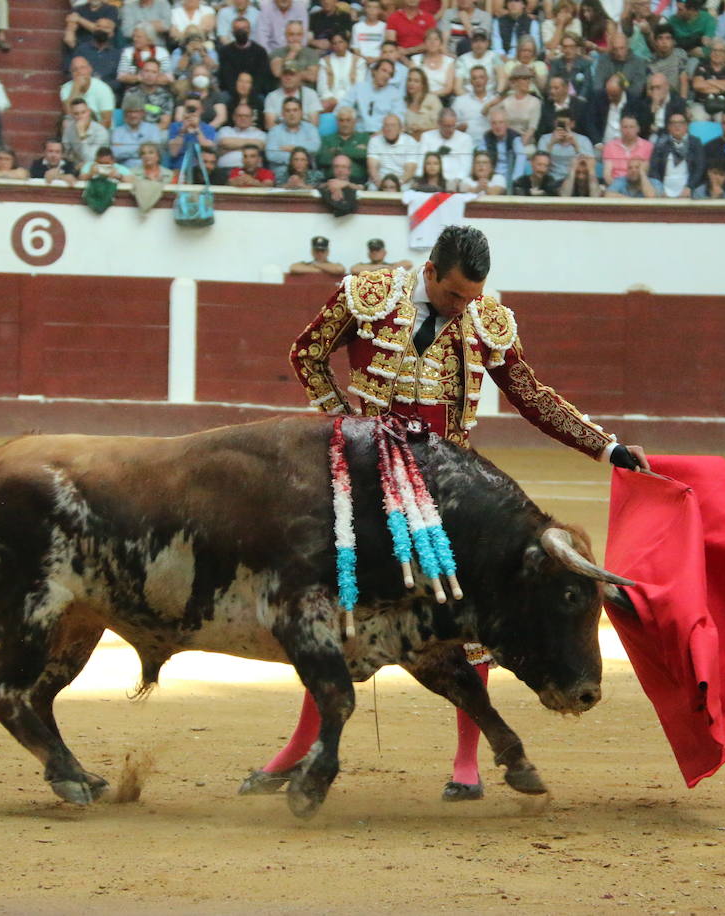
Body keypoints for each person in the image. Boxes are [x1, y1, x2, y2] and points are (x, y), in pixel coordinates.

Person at [257, 225, 647, 803]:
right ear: (431, 273)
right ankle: (298, 750)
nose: (464, 307)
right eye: (454, 295)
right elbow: (307, 354)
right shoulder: (370, 293)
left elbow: (531, 396)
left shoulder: (486, 319)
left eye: (472, 297)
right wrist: (346, 427)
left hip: (452, 500)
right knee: (338, 610)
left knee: (471, 623)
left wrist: (606, 447)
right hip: (365, 483)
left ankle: (468, 763)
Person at [650, 111, 704, 197]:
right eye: (673, 123)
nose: (677, 126)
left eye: (681, 123)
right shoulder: (661, 143)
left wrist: (690, 187)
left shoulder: (695, 143)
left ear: (686, 126)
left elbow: (699, 168)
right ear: (668, 127)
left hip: (688, 190)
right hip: (664, 190)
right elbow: (654, 169)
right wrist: (660, 189)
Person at [342, 58, 404, 133]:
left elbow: (399, 119)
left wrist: (381, 133)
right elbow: (342, 108)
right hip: (358, 133)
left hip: (382, 135)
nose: (386, 76)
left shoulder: (395, 94)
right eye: (384, 70)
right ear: (374, 71)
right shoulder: (359, 87)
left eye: (390, 74)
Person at [690, 38, 725, 122]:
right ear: (710, 52)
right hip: (702, 103)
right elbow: (697, 85)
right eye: (714, 50)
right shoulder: (702, 66)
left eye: (721, 51)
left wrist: (710, 81)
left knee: (723, 119)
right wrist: (723, 88)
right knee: (698, 118)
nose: (717, 53)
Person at [418, 106, 474, 182]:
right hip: (432, 181)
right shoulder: (426, 137)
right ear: (439, 123)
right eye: (447, 126)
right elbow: (421, 162)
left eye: (453, 126)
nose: (450, 130)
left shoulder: (465, 139)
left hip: (456, 181)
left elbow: (466, 165)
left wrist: (457, 180)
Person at [264, 95, 319, 169]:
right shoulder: (274, 131)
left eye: (295, 110)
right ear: (283, 114)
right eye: (288, 111)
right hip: (282, 172)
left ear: (301, 112)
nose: (291, 114)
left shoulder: (310, 128)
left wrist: (293, 148)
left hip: (306, 172)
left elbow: (315, 148)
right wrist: (298, 159)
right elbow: (271, 155)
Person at [366, 112, 418, 187]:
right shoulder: (374, 141)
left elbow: (410, 171)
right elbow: (372, 168)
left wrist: (395, 185)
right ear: (382, 129)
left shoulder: (410, 142)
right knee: (372, 188)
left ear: (400, 129)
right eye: (386, 125)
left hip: (402, 182)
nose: (389, 129)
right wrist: (382, 185)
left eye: (393, 126)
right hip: (379, 181)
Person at [537, 113, 593, 182]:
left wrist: (575, 145)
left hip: (575, 178)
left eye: (566, 124)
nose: (563, 127)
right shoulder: (544, 139)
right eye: (560, 124)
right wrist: (551, 143)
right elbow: (540, 164)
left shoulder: (584, 140)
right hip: (551, 178)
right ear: (555, 123)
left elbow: (589, 165)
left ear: (572, 124)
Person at [319, 32, 366, 113]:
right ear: (331, 46)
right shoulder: (324, 61)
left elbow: (359, 86)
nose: (338, 46)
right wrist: (331, 99)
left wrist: (345, 101)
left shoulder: (359, 61)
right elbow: (322, 86)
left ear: (347, 43)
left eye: (341, 42)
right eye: (334, 43)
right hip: (330, 102)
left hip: (352, 101)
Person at [601, 113, 652, 183]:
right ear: (620, 129)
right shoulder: (610, 146)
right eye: (625, 127)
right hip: (616, 185)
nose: (628, 130)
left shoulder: (648, 146)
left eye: (631, 127)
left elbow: (645, 173)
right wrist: (616, 188)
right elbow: (607, 175)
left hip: (639, 185)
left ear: (638, 129)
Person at [111, 102, 163, 168]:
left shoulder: (153, 129)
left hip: (148, 169)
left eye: (136, 112)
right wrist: (142, 150)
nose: (133, 115)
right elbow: (116, 154)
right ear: (124, 114)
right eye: (130, 112)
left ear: (143, 113)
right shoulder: (117, 132)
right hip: (126, 171)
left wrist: (126, 149)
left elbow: (155, 152)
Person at [63, 96, 110, 168]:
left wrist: (82, 135)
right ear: (72, 115)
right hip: (75, 167)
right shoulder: (69, 130)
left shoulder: (101, 131)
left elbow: (89, 159)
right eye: (76, 114)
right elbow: (66, 153)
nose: (80, 116)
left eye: (83, 112)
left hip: (97, 167)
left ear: (89, 112)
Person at [268, 20, 319, 85]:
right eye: (291, 34)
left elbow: (312, 77)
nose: (295, 38)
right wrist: (293, 52)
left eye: (298, 34)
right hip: (282, 92)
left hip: (305, 91)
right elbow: (277, 73)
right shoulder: (276, 52)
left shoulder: (311, 53)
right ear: (286, 36)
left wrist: (287, 72)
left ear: (302, 36)